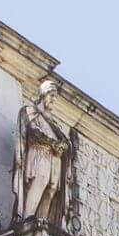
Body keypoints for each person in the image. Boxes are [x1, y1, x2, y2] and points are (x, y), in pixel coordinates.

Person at [12, 78, 71, 225]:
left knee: (51, 190)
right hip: (39, 153)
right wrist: (53, 143)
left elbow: (64, 140)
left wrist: (62, 146)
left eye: (55, 96)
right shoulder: (30, 111)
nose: (53, 99)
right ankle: (28, 218)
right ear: (43, 94)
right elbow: (33, 130)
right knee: (39, 182)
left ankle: (43, 222)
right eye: (51, 95)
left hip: (54, 158)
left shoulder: (53, 123)